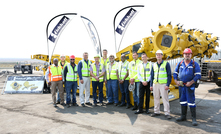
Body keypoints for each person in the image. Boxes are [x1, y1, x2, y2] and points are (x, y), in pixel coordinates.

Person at [173, 48, 201, 126]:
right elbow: (175, 73)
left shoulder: (194, 64)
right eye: (186, 54)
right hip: (181, 86)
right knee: (182, 101)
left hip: (190, 86)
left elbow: (198, 75)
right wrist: (176, 81)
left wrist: (191, 82)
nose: (187, 55)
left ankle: (194, 119)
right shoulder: (180, 63)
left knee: (191, 102)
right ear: (183, 55)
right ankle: (183, 116)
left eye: (189, 54)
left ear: (191, 55)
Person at [150, 50, 172, 119]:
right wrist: (151, 85)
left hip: (163, 84)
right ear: (156, 56)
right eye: (157, 55)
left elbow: (169, 75)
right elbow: (152, 75)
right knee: (156, 98)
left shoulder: (166, 64)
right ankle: (156, 111)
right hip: (155, 84)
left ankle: (167, 113)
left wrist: (167, 85)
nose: (158, 56)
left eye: (160, 55)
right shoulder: (154, 65)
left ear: (162, 56)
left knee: (165, 98)